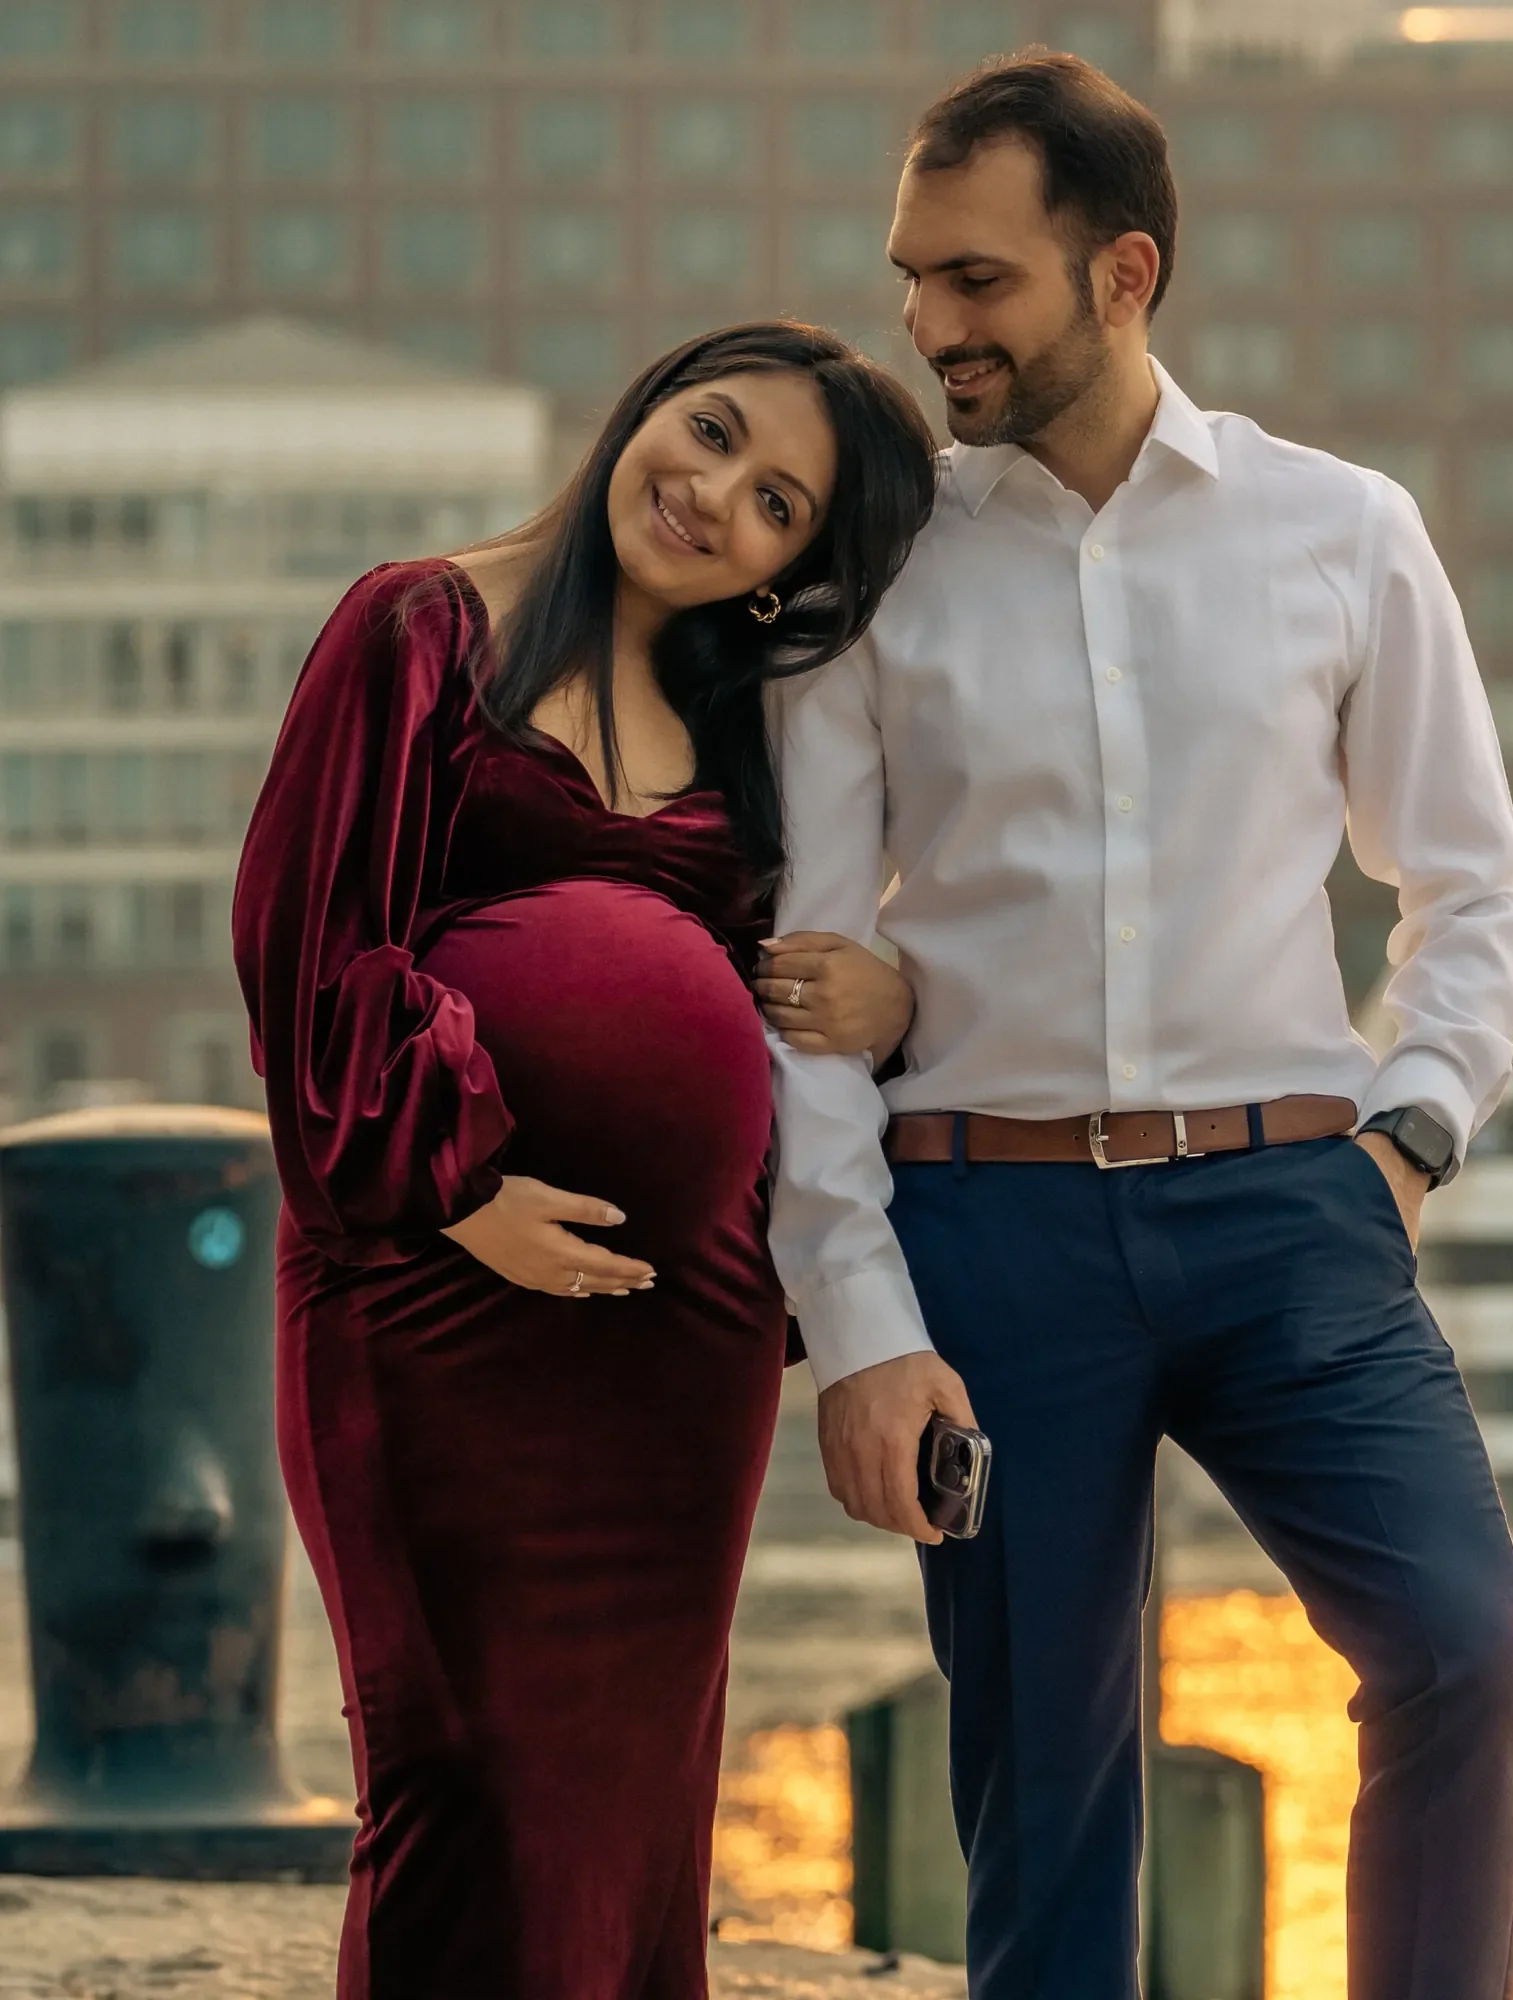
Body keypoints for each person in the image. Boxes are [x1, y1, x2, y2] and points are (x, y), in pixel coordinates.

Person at [765, 57, 1513, 2000]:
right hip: (993, 1235)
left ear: (1122, 274)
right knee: (1048, 1797)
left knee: (1461, 1653)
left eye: (976, 280)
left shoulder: (1341, 530)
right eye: (911, 277)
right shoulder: (874, 571)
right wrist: (861, 1326)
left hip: (1294, 1215)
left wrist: (1408, 1137)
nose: (928, 325)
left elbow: (1473, 887)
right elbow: (804, 982)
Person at [233, 322, 935, 2000]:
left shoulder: (745, 731)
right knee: (459, 1775)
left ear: (788, 573)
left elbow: (788, 998)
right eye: (713, 433)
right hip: (426, 1298)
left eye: (777, 506)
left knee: (636, 1799)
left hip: (676, 1344)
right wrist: (461, 1189)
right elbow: (304, 940)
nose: (714, 496)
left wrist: (894, 995)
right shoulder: (419, 628)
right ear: (649, 404)